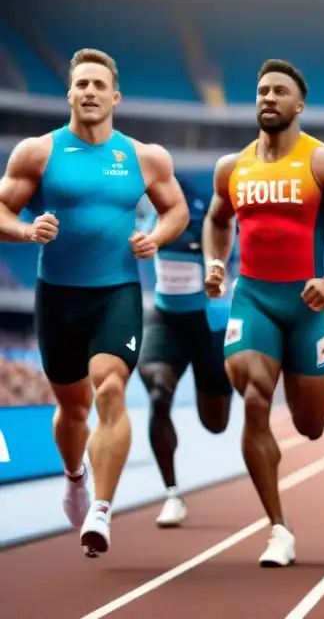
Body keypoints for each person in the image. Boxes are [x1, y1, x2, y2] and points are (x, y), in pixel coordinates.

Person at [0, 48, 189, 556]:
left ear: (114, 96)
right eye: (80, 83)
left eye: (98, 85)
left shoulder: (144, 157)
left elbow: (175, 211)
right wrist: (24, 229)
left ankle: (102, 511)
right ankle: (75, 476)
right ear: (69, 93)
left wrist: (156, 236)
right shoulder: (37, 154)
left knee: (110, 387)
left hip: (116, 293)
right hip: (57, 297)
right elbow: (1, 207)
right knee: (73, 407)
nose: (89, 91)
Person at [202, 59, 324, 567]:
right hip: (253, 298)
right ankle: (278, 528)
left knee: (312, 425)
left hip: (306, 306)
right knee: (255, 398)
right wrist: (216, 264)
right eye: (262, 91)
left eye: (279, 91)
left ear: (298, 105)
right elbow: (217, 221)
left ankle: (304, 408)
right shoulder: (231, 169)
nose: (268, 98)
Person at [137, 177, 238, 528]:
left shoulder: (213, 222)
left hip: (210, 324)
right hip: (165, 320)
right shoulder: (149, 218)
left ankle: (222, 387)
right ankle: (171, 493)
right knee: (158, 392)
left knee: (215, 423)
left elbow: (233, 256)